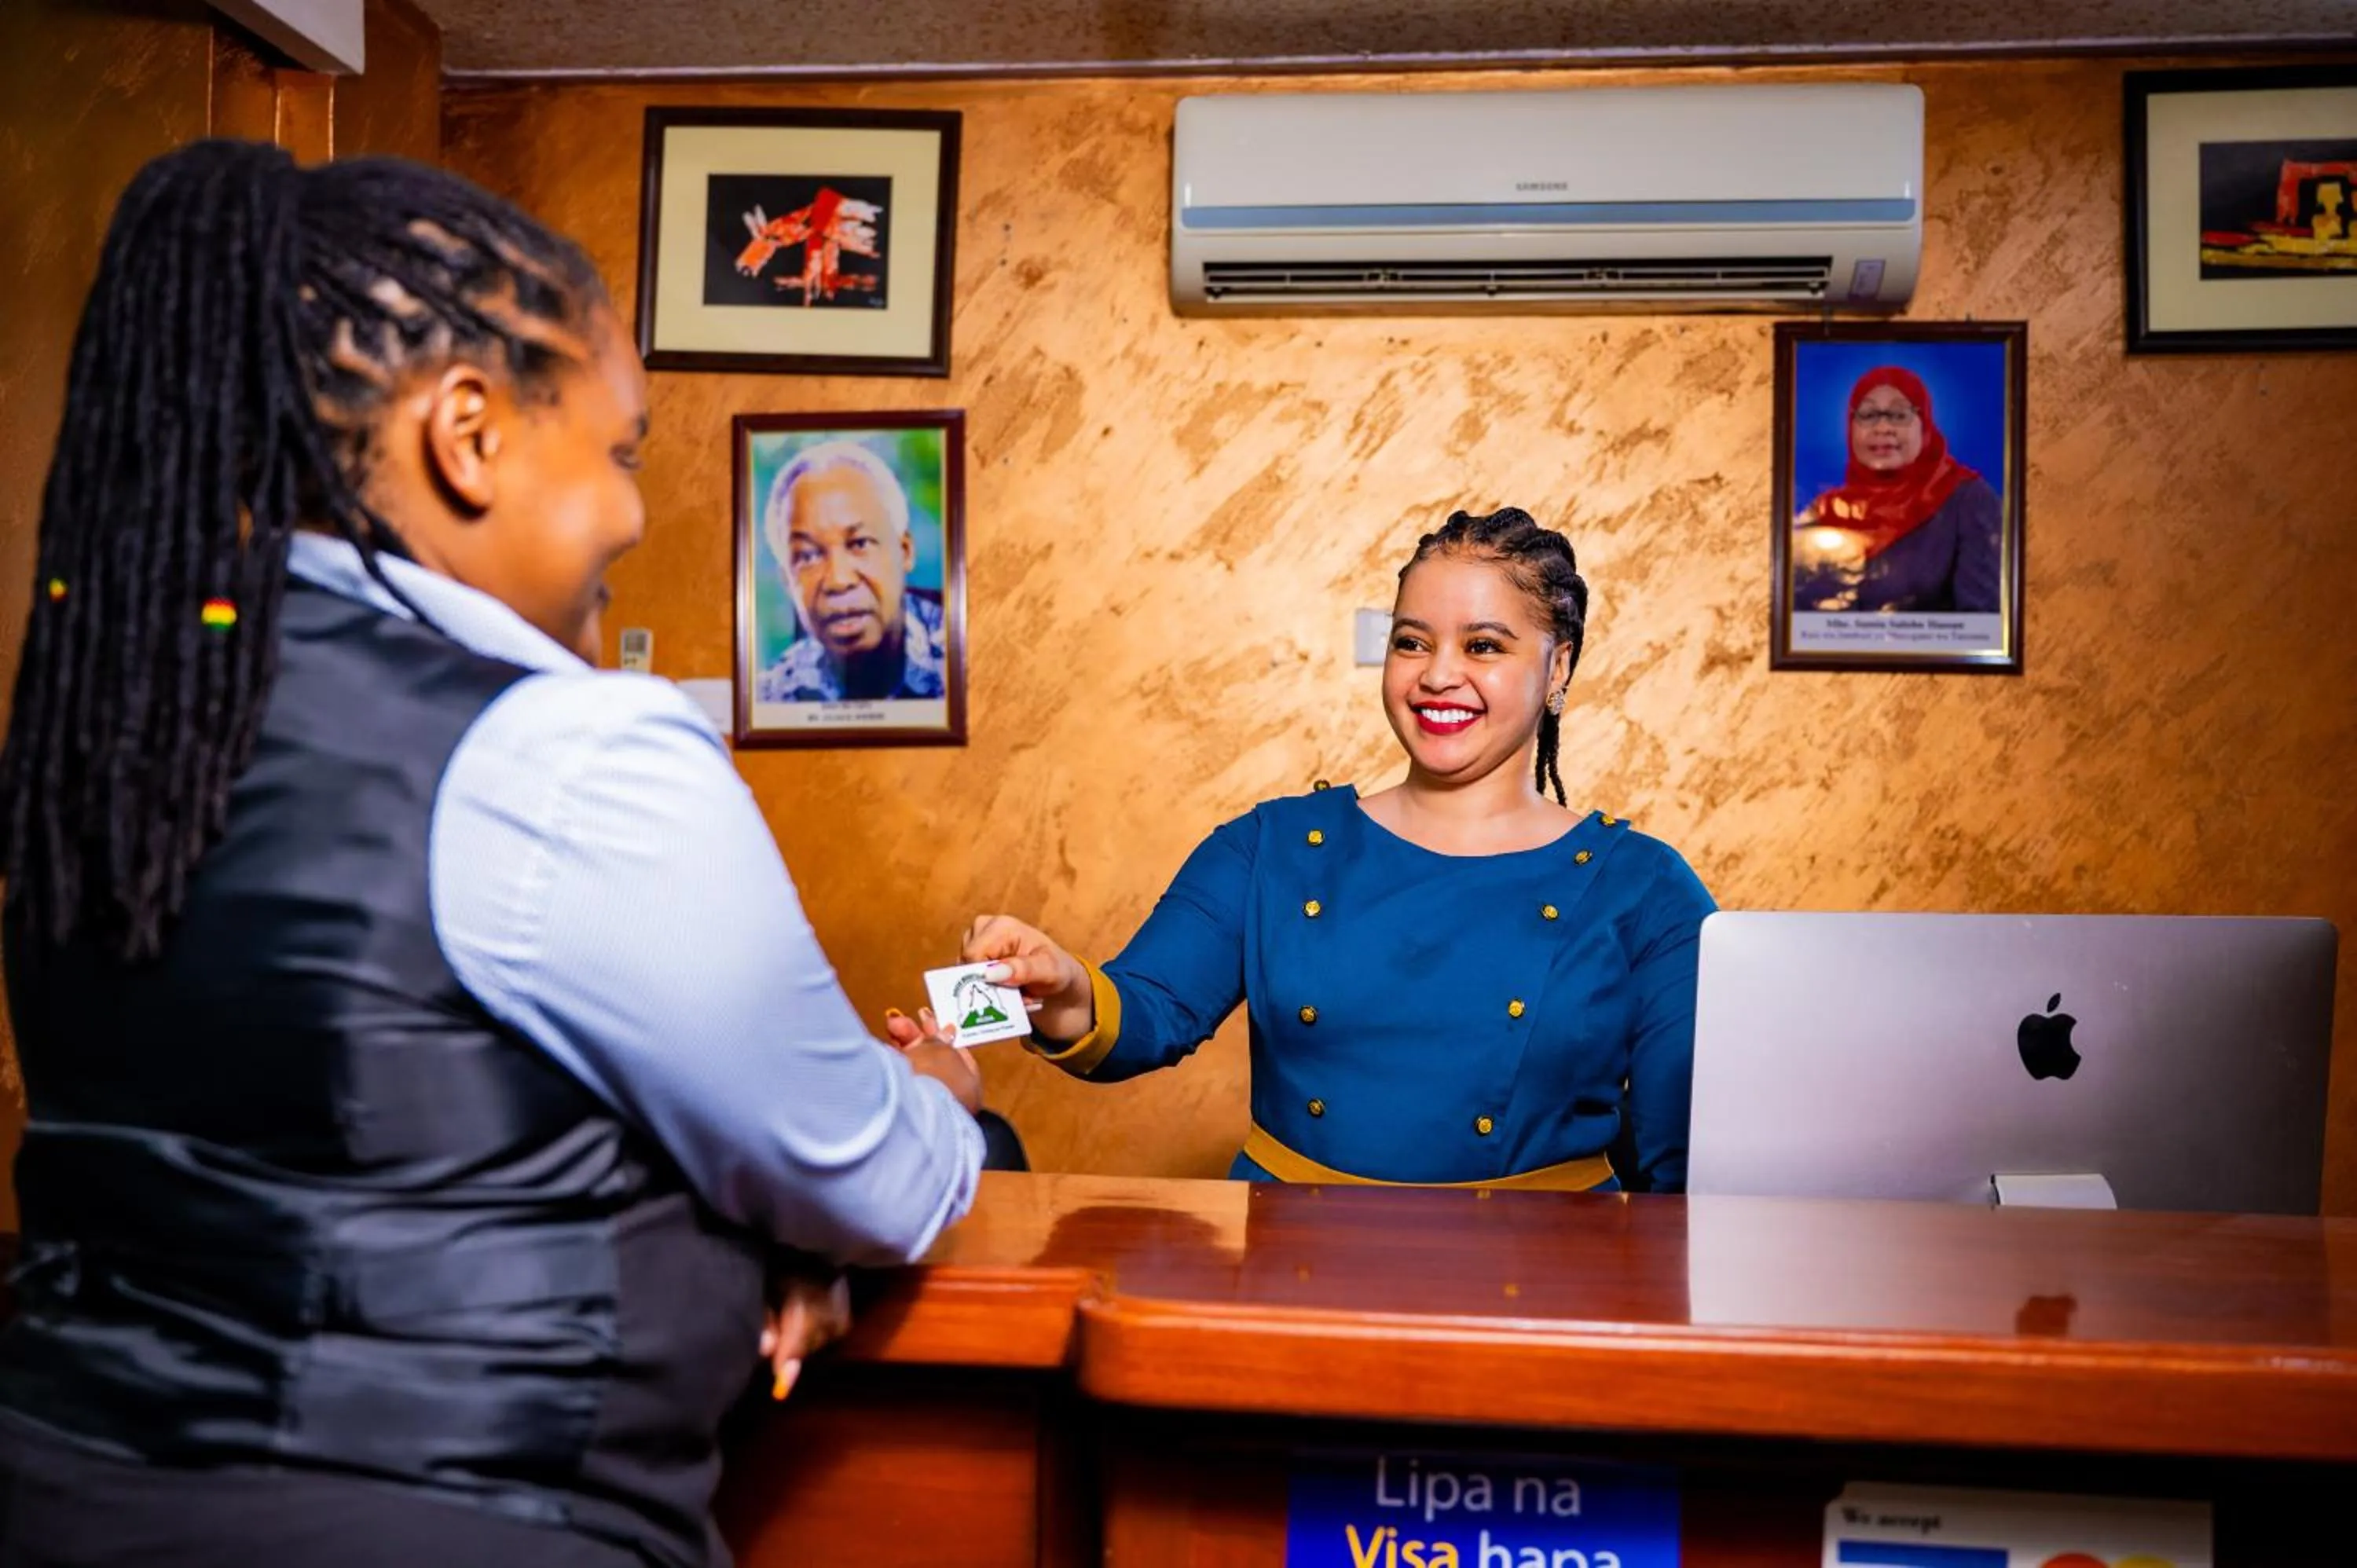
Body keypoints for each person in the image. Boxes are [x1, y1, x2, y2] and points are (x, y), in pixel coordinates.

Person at [0, 141, 986, 1568]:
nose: (637, 516)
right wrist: (943, 1083)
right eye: (622, 452)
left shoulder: (116, 721)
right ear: (469, 434)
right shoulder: (566, 756)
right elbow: (869, 1176)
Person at [925, 508, 1717, 1193]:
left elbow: (1682, 1161)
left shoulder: (1647, 889)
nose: (1439, 675)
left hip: (1546, 1287)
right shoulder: (1271, 846)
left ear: (1559, 667)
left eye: (1483, 646)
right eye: (1413, 642)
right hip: (1290, 1267)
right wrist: (1058, 981)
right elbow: (1148, 1012)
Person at [1791, 365, 2003, 614]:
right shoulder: (1828, 511)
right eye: (1868, 415)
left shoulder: (1968, 500)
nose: (1882, 428)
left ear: (1924, 426)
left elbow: (1981, 624)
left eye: (1899, 415)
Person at [754, 441, 948, 703]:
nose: (839, 580)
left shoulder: (967, 666)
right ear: (788, 582)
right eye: (808, 556)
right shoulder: (771, 698)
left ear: (904, 552)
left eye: (860, 544)